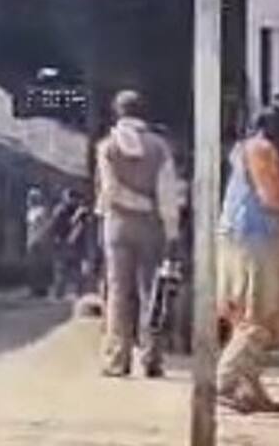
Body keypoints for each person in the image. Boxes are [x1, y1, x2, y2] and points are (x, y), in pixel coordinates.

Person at [215, 103, 279, 413]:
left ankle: (250, 388)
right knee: (258, 317)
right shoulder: (261, 150)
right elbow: (272, 198)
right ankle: (224, 383)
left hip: (245, 239)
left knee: (251, 319)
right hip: (253, 240)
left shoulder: (246, 150)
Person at [94, 89, 182, 378]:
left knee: (118, 292)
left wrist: (126, 204)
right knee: (151, 293)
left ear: (117, 113)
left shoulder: (107, 146)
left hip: (117, 226)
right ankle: (151, 358)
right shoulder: (159, 147)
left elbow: (109, 190)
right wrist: (171, 232)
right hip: (151, 227)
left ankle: (117, 360)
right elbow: (168, 195)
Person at [25, 187, 57, 298]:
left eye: (32, 198)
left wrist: (43, 237)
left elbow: (48, 225)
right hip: (32, 241)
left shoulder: (42, 211)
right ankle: (34, 289)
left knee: (40, 266)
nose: (29, 200)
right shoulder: (30, 212)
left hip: (39, 242)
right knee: (33, 267)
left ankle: (41, 289)